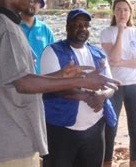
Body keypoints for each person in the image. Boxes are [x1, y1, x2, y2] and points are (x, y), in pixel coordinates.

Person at [0, 0, 119, 166]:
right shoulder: (7, 30)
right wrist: (81, 80)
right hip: (14, 136)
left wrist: (61, 75)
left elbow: (19, 79)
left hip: (12, 135)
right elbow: (23, 83)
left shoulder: (0, 24)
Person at [40, 8, 116, 167]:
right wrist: (86, 96)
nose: (82, 29)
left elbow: (111, 85)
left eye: (86, 25)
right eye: (77, 24)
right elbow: (51, 87)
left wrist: (102, 96)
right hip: (62, 128)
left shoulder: (99, 53)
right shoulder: (52, 51)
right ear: (67, 27)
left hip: (95, 127)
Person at [100, 0, 136, 167]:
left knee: (135, 128)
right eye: (119, 9)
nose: (122, 13)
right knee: (110, 127)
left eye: (126, 10)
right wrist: (120, 31)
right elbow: (112, 58)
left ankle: (134, 163)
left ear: (130, 13)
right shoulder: (107, 33)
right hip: (114, 86)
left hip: (135, 86)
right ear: (113, 12)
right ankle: (107, 163)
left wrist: (122, 62)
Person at [20, 0, 55, 74]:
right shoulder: (13, 27)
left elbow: (53, 56)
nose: (32, 3)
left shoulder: (45, 30)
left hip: (41, 83)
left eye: (36, 1)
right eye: (29, 0)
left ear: (40, 5)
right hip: (18, 83)